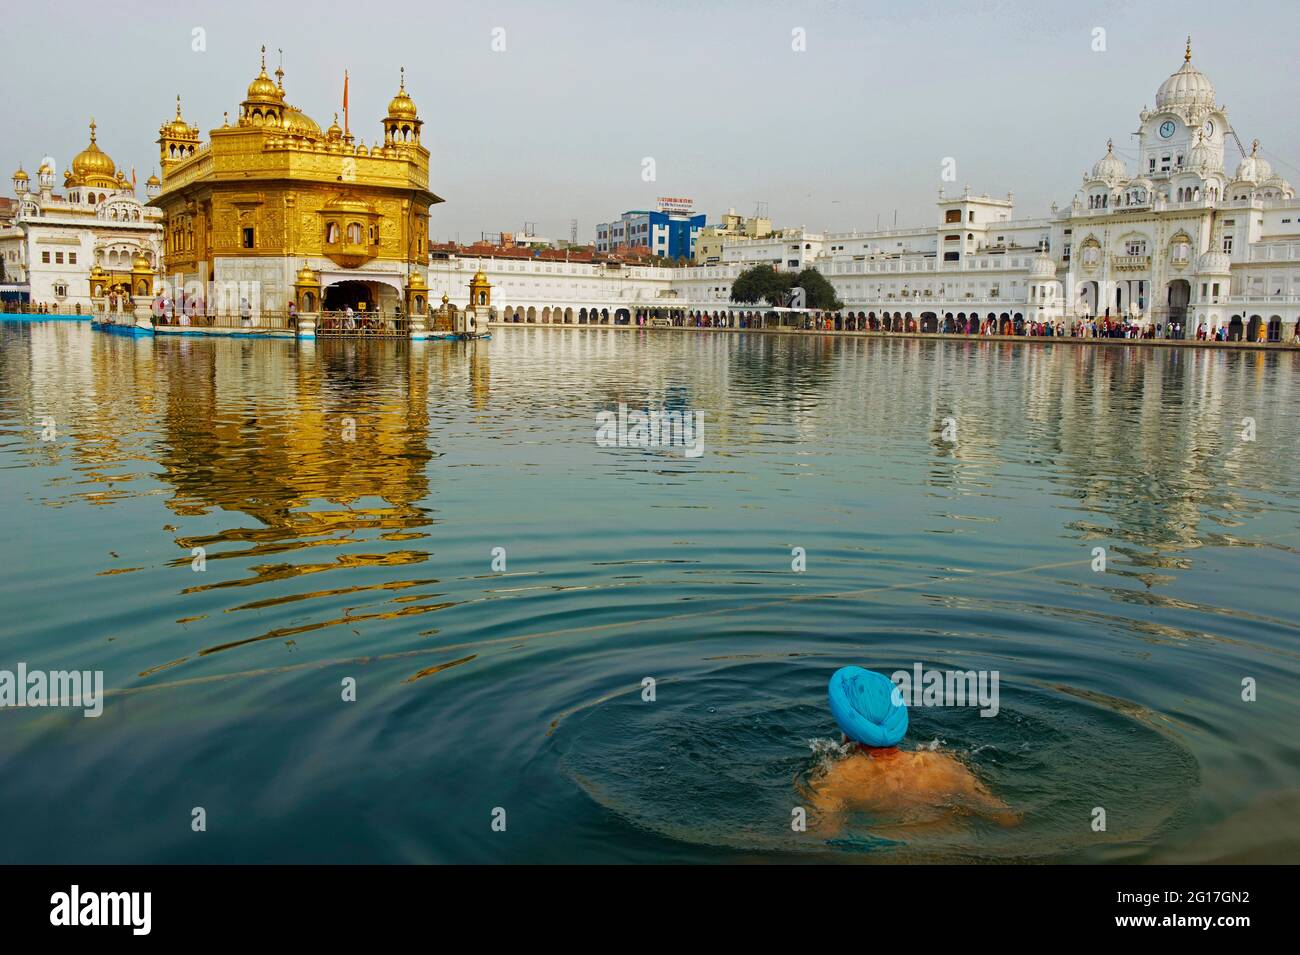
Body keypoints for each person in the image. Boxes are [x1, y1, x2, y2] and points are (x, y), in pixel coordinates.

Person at [804, 666, 1018, 834]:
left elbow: (822, 832)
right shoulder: (940, 763)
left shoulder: (838, 777)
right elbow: (1007, 818)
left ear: (846, 726)